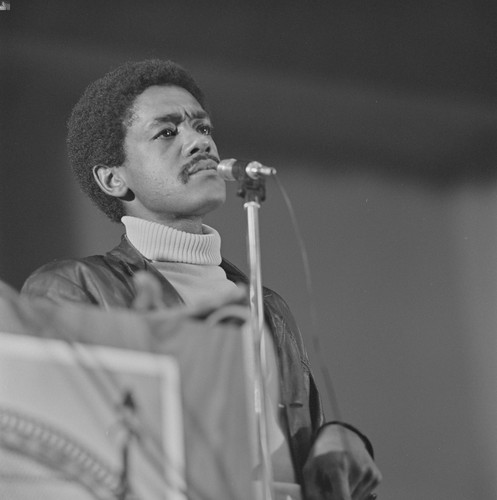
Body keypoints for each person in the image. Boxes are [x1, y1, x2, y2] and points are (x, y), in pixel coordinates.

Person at [22, 59, 382, 500]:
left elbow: (282, 442)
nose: (200, 142)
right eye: (168, 132)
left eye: (203, 128)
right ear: (114, 179)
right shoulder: (75, 287)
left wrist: (335, 442)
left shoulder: (266, 306)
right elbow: (55, 451)